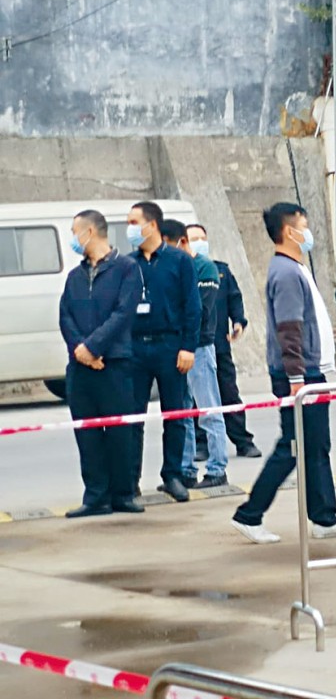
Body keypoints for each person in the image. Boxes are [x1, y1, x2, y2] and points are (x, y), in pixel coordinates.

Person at [231, 203, 336, 543]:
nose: (308, 231)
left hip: (307, 370)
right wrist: (297, 378)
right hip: (298, 375)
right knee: (294, 445)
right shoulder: (286, 273)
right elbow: (289, 329)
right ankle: (250, 513)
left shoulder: (294, 268)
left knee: (315, 445)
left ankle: (325, 517)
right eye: (304, 224)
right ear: (290, 232)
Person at [58, 210, 144, 517]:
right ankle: (96, 496)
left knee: (120, 432)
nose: (73, 238)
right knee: (87, 433)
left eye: (74, 231)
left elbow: (123, 314)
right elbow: (65, 316)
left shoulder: (126, 269)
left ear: (90, 231)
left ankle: (123, 493)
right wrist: (80, 350)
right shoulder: (74, 277)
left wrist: (94, 347)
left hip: (115, 363)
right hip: (80, 368)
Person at [127, 201, 201, 503]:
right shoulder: (128, 263)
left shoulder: (178, 261)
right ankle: (129, 480)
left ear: (152, 225)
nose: (129, 228)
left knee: (176, 414)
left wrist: (188, 347)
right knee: (132, 418)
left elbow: (192, 307)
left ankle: (172, 474)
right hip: (135, 347)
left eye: (134, 221)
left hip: (170, 345)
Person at [161, 220, 230, 489]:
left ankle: (217, 468)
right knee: (184, 412)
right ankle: (186, 470)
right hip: (178, 348)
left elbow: (198, 310)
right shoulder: (175, 266)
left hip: (199, 347)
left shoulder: (205, 268)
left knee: (209, 409)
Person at [187, 224, 261, 459]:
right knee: (197, 399)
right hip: (195, 346)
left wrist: (239, 321)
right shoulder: (184, 272)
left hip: (219, 344)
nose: (199, 242)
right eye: (194, 238)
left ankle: (243, 441)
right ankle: (202, 444)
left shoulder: (220, 271)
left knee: (229, 393)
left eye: (202, 238)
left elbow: (234, 299)